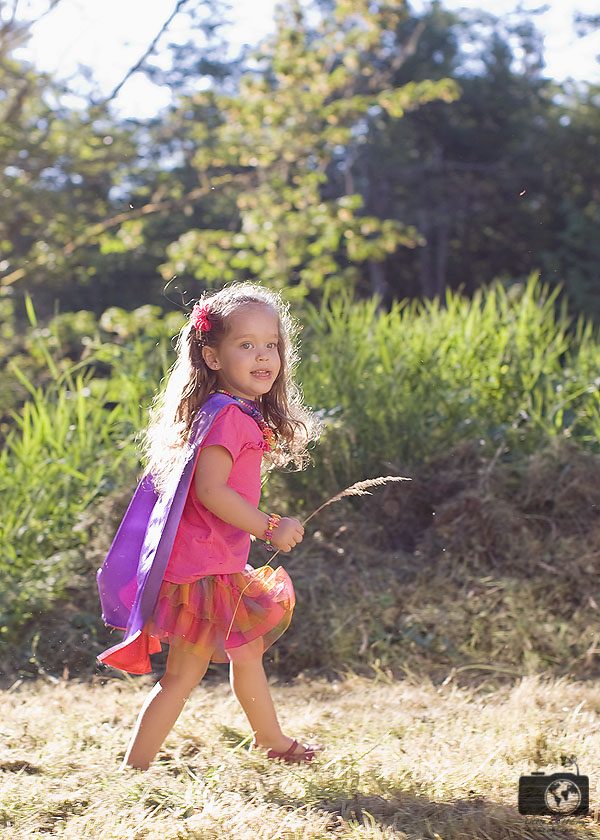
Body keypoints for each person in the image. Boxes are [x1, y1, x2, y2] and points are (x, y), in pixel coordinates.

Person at [96, 283, 321, 770]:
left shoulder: (225, 412)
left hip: (206, 562)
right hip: (204, 570)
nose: (264, 356)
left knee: (240, 655)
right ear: (212, 357)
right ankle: (137, 768)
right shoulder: (230, 418)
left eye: (271, 345)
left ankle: (270, 741)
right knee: (186, 675)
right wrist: (270, 526)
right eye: (246, 345)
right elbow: (212, 492)